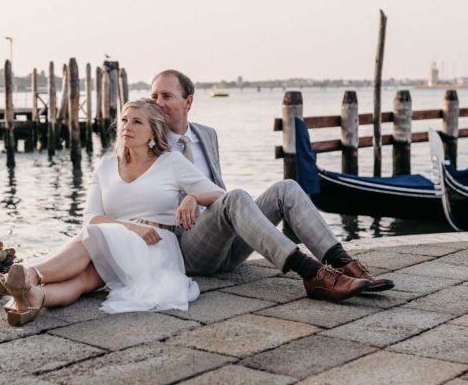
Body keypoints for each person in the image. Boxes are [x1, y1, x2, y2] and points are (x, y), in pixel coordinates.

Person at [150, 69, 393, 299]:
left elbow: (214, 188)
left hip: (227, 246)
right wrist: (192, 196)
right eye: (154, 96)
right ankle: (313, 274)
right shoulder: (150, 143)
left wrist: (198, 195)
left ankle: (343, 263)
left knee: (286, 188)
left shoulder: (207, 134)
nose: (158, 102)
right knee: (235, 197)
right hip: (190, 249)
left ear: (188, 101)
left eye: (166, 96)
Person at [0, 99, 225, 326]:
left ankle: (30, 275)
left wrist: (193, 196)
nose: (126, 127)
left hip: (153, 246)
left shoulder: (171, 162)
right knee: (86, 278)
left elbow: (221, 196)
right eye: (124, 120)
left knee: (92, 236)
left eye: (137, 122)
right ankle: (37, 297)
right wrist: (129, 227)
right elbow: (90, 216)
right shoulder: (106, 166)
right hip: (114, 237)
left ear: (153, 131)